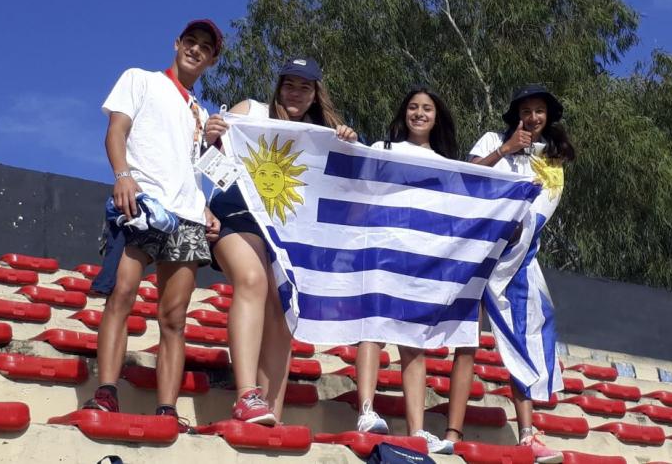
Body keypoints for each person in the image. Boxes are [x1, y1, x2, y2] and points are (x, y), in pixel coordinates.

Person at [81, 20, 222, 430]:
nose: (195, 50)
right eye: (191, 42)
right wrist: (122, 174)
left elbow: (194, 169)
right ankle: (106, 390)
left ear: (211, 60)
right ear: (177, 44)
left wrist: (206, 207)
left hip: (188, 217)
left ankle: (167, 410)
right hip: (142, 205)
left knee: (174, 317)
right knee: (122, 293)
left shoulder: (201, 111)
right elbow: (116, 130)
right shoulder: (139, 79)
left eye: (205, 48)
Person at [205, 57, 357, 425]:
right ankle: (245, 395)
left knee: (283, 310)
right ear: (278, 86)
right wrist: (209, 140)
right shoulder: (249, 110)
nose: (295, 93)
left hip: (287, 234)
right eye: (290, 84)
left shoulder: (320, 134)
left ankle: (271, 411)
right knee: (253, 281)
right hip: (235, 218)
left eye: (305, 87)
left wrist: (350, 142)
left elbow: (354, 180)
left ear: (315, 95)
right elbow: (204, 160)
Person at [447, 84, 574, 463]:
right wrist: (505, 151)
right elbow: (465, 178)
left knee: (522, 336)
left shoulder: (551, 162)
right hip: (479, 253)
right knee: (467, 340)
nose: (533, 117)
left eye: (540, 111)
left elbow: (538, 216)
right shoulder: (492, 139)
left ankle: (528, 434)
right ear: (515, 114)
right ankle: (452, 431)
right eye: (527, 110)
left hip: (517, 261)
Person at [355, 87, 457, 454]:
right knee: (372, 329)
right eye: (412, 107)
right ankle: (366, 409)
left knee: (415, 343)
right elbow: (360, 192)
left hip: (423, 260)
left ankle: (417, 428)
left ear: (436, 116)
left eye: (427, 108)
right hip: (383, 250)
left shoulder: (446, 163)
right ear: (403, 113)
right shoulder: (384, 149)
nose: (419, 113)